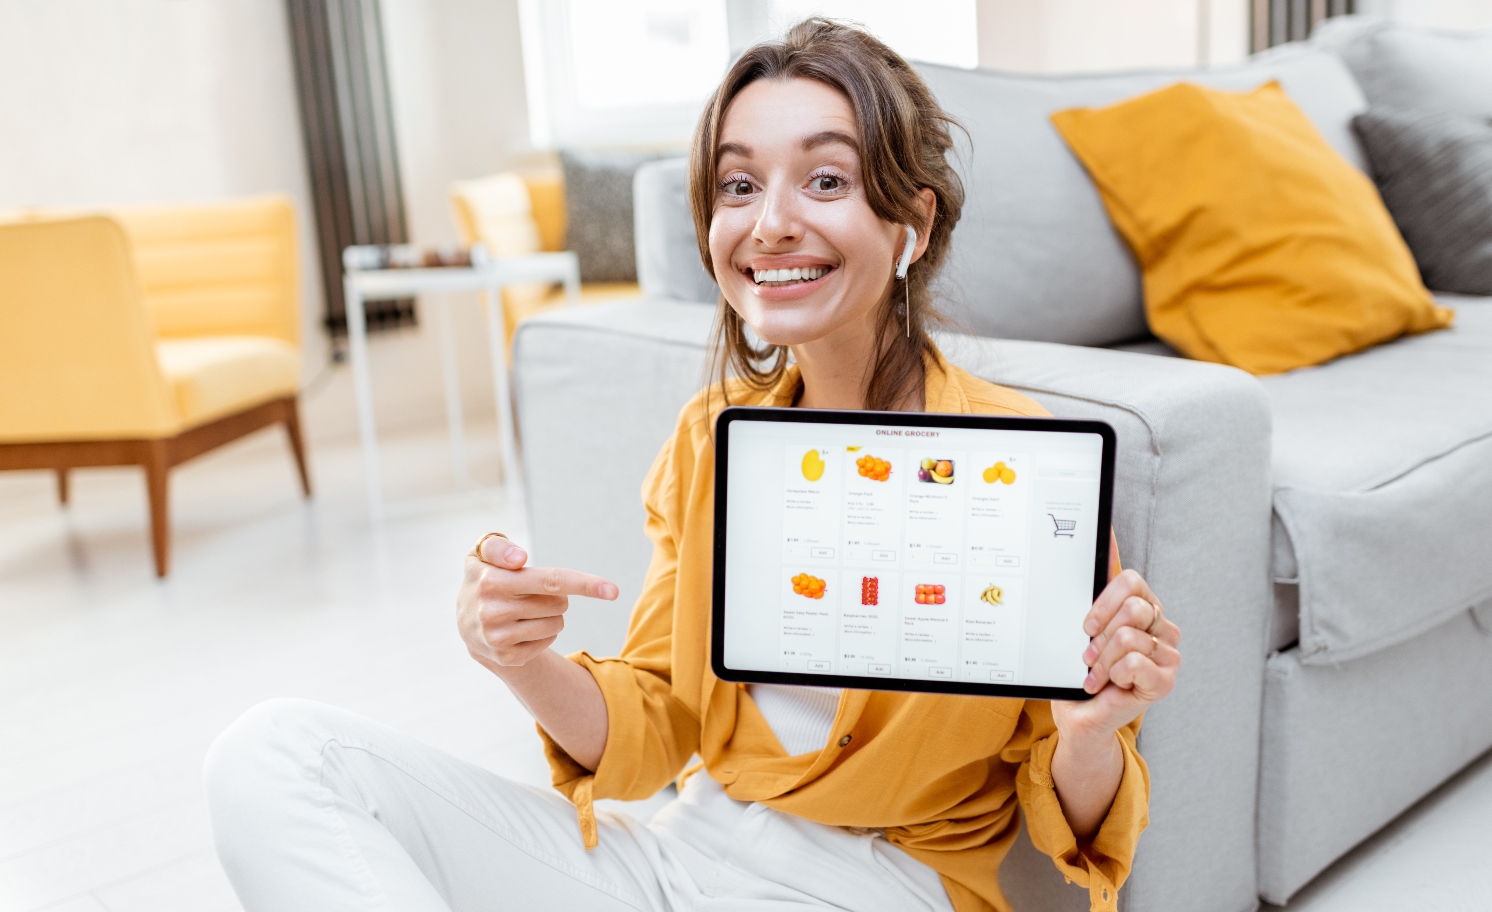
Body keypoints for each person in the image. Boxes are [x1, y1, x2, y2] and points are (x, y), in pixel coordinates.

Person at [205, 18, 1181, 912]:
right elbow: (654, 728)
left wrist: (1091, 731)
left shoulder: (1019, 465)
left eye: (826, 181)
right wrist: (523, 659)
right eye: (740, 184)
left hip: (873, 882)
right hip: (672, 858)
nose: (770, 224)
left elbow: (1075, 822)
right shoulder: (709, 438)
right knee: (278, 755)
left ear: (911, 225)